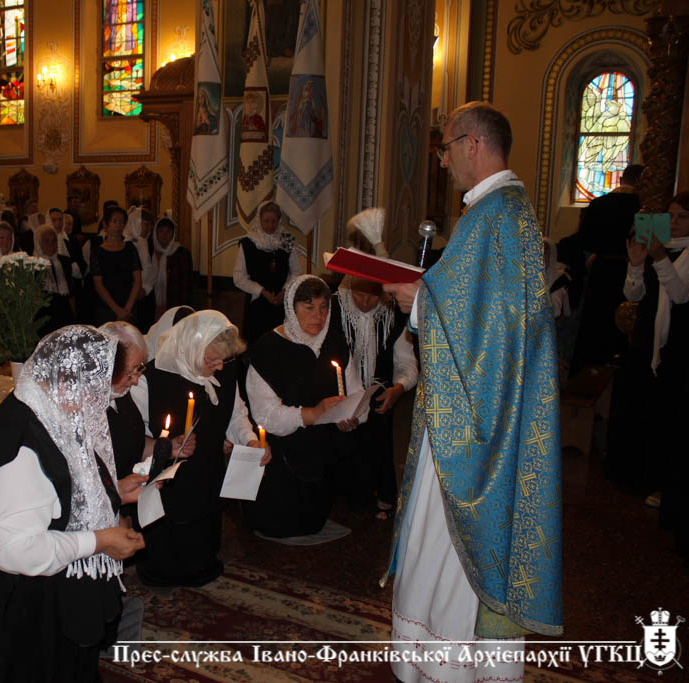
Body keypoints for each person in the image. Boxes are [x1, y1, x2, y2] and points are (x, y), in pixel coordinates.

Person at [381, 102, 562, 681]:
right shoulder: (505, 213)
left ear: (472, 144)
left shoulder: (492, 218)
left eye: (445, 148)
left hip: (472, 429)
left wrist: (420, 302)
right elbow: (489, 318)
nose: (442, 161)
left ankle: (446, 666)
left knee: (443, 543)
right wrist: (427, 296)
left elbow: (482, 332)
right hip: (483, 410)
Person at [0, 326, 146, 681]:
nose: (97, 403)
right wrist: (100, 541)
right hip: (29, 606)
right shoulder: (23, 445)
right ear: (68, 379)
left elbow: (60, 491)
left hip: (55, 592)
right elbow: (15, 550)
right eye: (95, 390)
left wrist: (114, 493)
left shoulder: (48, 410)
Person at [130, 310, 269, 587]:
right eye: (211, 359)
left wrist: (250, 440)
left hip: (207, 470)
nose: (219, 367)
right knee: (168, 550)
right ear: (192, 345)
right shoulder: (151, 378)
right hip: (167, 478)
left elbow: (236, 414)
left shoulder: (225, 370)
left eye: (223, 360)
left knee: (203, 543)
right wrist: (163, 446)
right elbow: (135, 433)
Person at [244, 275, 359, 540]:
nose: (318, 316)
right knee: (278, 522)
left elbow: (354, 391)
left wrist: (351, 417)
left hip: (321, 450)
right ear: (291, 309)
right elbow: (265, 415)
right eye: (309, 308)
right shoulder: (267, 349)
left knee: (313, 519)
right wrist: (313, 413)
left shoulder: (334, 342)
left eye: (324, 308)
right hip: (280, 451)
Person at [336, 209, 418, 517]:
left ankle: (378, 493)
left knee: (378, 431)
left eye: (373, 296)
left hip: (377, 398)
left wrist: (398, 389)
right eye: (359, 294)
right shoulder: (335, 311)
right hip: (339, 397)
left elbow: (407, 364)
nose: (366, 302)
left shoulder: (392, 317)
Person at [622, 191, 689, 558]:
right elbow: (633, 295)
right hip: (649, 343)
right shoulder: (658, 251)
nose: (674, 223)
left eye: (682, 217)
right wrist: (636, 264)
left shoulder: (680, 254)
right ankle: (645, 477)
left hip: (679, 348)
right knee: (649, 413)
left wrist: (661, 258)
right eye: (671, 215)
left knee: (673, 419)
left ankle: (668, 488)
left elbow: (680, 295)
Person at [570, 164, 643, 374]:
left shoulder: (599, 204)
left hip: (601, 270)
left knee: (595, 323)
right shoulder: (641, 206)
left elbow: (583, 239)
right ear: (640, 183)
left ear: (621, 180)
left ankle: (587, 371)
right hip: (628, 268)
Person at [233, 201, 302, 344]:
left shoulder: (287, 240)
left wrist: (284, 292)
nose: (270, 225)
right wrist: (263, 292)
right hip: (257, 301)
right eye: (266, 221)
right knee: (257, 342)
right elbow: (239, 277)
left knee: (279, 343)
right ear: (259, 220)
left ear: (279, 220)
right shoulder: (248, 243)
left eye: (274, 221)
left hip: (281, 301)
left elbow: (296, 272)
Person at [89, 206, 143, 325]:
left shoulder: (130, 248)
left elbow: (137, 280)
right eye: (114, 221)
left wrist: (127, 309)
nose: (118, 225)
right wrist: (117, 310)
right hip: (106, 308)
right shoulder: (97, 252)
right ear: (105, 224)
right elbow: (98, 285)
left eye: (121, 222)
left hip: (129, 306)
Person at [34, 225, 76, 334]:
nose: (51, 244)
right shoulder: (34, 265)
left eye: (53, 241)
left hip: (64, 311)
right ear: (39, 243)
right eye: (46, 241)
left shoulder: (65, 261)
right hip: (43, 314)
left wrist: (73, 313)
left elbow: (71, 291)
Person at [151, 216, 194, 319]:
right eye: (161, 231)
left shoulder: (182, 253)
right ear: (155, 233)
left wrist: (183, 309)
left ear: (173, 233)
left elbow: (186, 283)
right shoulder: (151, 252)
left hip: (175, 304)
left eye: (168, 231)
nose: (164, 235)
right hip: (153, 306)